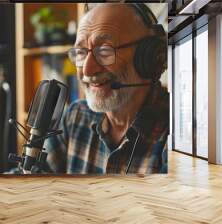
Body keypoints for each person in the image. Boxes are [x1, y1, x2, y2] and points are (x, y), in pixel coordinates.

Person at [44, 3, 169, 175]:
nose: (87, 70)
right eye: (80, 52)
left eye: (104, 51)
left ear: (150, 57)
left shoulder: (177, 136)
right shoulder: (76, 116)